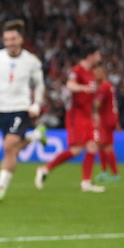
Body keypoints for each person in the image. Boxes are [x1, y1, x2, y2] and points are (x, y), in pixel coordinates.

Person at [0, 19, 48, 202]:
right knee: (12, 149)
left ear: (21, 39)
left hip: (21, 108)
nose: (10, 43)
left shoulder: (31, 61)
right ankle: (36, 135)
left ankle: (0, 189)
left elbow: (39, 84)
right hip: (2, 109)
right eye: (6, 39)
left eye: (13, 39)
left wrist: (36, 103)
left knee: (9, 147)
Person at [34, 49, 104, 193]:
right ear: (89, 56)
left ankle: (86, 183)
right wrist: (84, 88)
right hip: (76, 115)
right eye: (97, 55)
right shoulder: (77, 70)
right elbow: (70, 85)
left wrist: (94, 113)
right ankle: (45, 169)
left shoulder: (92, 72)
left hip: (87, 115)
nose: (99, 58)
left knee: (92, 146)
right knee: (76, 149)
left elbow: (91, 97)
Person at [92, 63, 121, 184]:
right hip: (109, 118)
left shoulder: (103, 86)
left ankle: (115, 174)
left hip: (106, 119)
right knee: (100, 144)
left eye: (97, 72)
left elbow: (97, 104)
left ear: (102, 73)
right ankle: (104, 172)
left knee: (107, 146)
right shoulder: (108, 85)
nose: (94, 75)